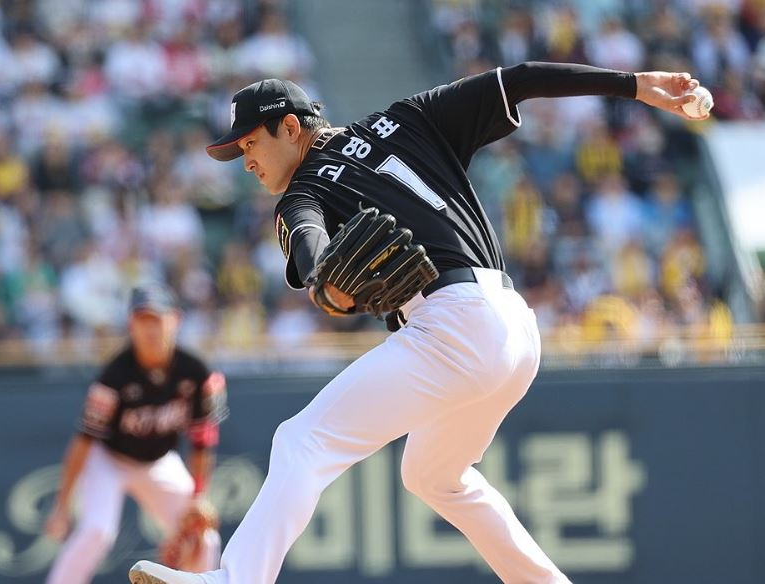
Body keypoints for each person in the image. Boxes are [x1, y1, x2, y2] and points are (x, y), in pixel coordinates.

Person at [129, 62, 706, 584]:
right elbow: (521, 79)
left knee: (301, 440)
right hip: (514, 328)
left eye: (250, 142)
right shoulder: (407, 119)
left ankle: (236, 581)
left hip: (451, 328)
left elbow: (311, 249)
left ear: (289, 126)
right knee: (435, 477)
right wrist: (634, 85)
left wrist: (327, 284)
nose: (246, 160)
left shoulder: (302, 192)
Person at [44, 283, 227, 584]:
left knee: (203, 535)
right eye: (143, 320)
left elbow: (203, 437)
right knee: (96, 532)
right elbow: (83, 440)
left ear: (176, 320)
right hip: (110, 460)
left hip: (159, 462)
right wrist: (62, 504)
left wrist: (198, 495)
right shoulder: (114, 375)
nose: (150, 328)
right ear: (131, 324)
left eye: (157, 319)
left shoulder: (197, 371)